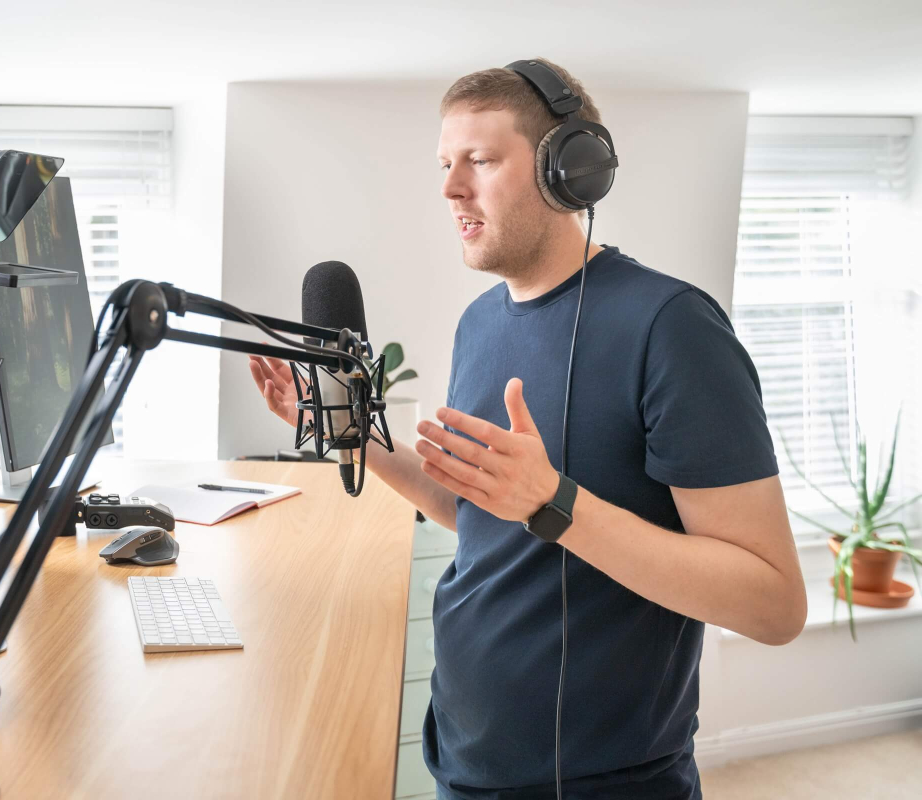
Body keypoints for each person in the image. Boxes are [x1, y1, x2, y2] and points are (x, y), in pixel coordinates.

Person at [248, 59, 807, 800]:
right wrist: (353, 436)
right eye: (445, 163)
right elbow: (483, 513)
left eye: (478, 160)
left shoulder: (671, 328)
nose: (450, 189)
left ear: (567, 171)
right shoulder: (480, 323)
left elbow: (772, 605)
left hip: (599, 782)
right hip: (464, 756)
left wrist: (555, 503)